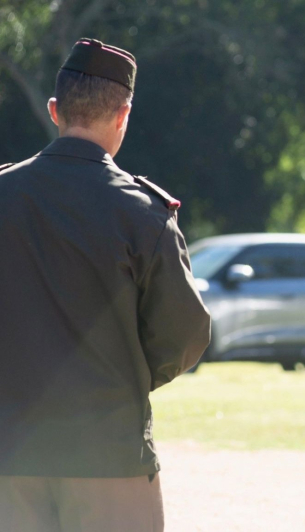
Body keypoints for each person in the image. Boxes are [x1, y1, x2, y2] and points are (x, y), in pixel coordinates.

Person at [0, 38, 211, 531]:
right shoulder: (143, 213)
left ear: (55, 110)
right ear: (123, 115)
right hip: (109, 454)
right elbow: (185, 335)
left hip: (10, 454)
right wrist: (127, 376)